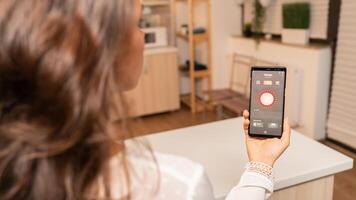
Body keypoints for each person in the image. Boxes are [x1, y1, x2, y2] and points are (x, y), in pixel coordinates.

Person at [0, 0, 291, 199]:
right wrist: (261, 167)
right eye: (138, 23)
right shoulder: (174, 183)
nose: (142, 35)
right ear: (106, 46)